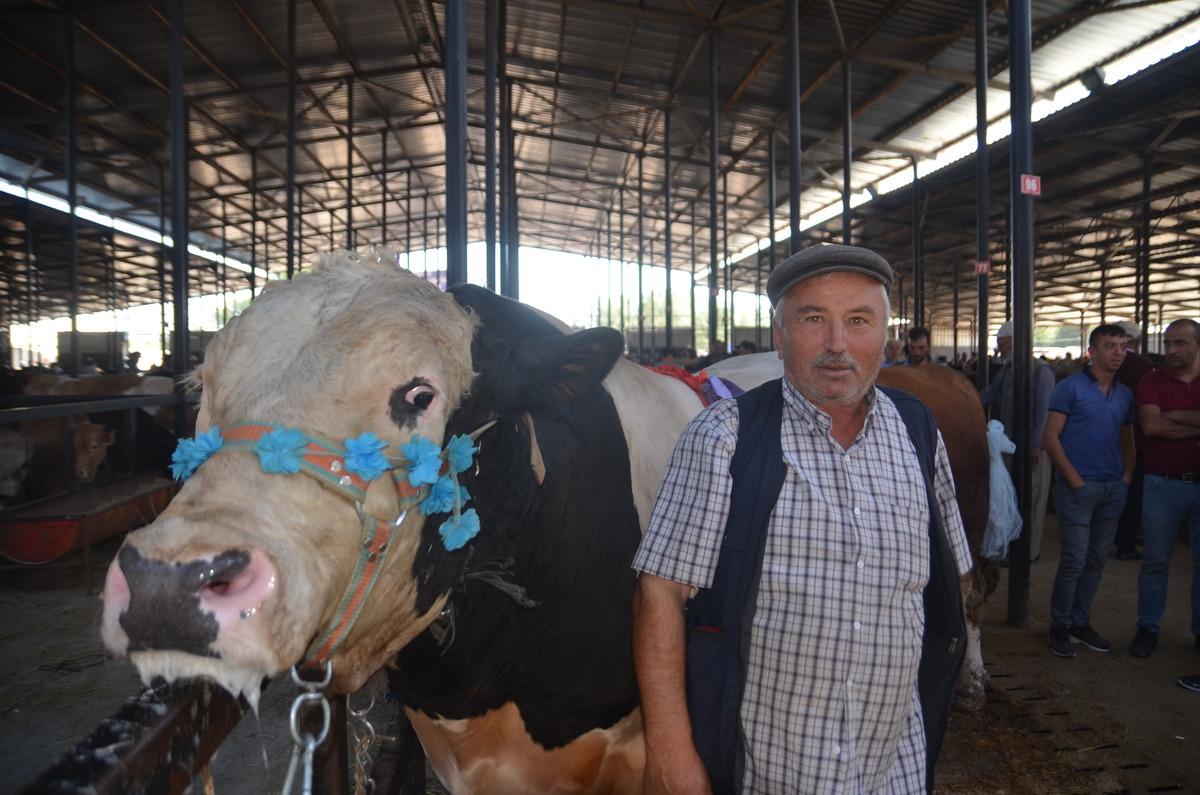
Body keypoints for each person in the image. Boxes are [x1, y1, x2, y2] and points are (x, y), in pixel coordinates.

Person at [632, 244, 972, 794]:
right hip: (772, 770)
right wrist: (669, 750)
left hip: (894, 765)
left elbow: (952, 574)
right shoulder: (725, 435)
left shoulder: (918, 431)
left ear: (885, 335)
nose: (837, 343)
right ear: (780, 336)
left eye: (858, 321)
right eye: (813, 319)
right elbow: (660, 593)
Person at [1042, 324, 1134, 658]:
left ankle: (1080, 622)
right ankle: (1060, 625)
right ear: (1092, 352)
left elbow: (1127, 437)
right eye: (1110, 346)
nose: (1119, 352)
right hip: (1079, 488)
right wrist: (1074, 479)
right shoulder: (1070, 388)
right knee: (1075, 559)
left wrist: (1127, 475)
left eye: (1123, 346)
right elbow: (1050, 437)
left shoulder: (1125, 394)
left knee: (1096, 558)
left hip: (1112, 486)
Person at [1129, 319, 1200, 658]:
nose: (1171, 350)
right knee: (1155, 560)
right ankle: (1147, 628)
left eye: (1179, 343)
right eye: (1168, 343)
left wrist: (1172, 415)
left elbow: (1162, 421)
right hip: (1162, 482)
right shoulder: (1152, 380)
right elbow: (1151, 426)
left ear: (1197, 345)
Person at [980, 320, 1056, 561]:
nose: (999, 348)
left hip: (1033, 448)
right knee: (1010, 496)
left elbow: (1044, 413)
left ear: (1015, 342)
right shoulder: (1007, 370)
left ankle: (1030, 551)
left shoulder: (1040, 371)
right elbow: (988, 395)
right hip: (1009, 446)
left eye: (1003, 343)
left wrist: (1036, 445)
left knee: (1033, 496)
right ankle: (1011, 547)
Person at [1113, 319, 1156, 560]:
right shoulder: (1143, 365)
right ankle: (1125, 543)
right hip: (1134, 437)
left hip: (1105, 438)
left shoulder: (1103, 363)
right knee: (1131, 491)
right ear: (1137, 341)